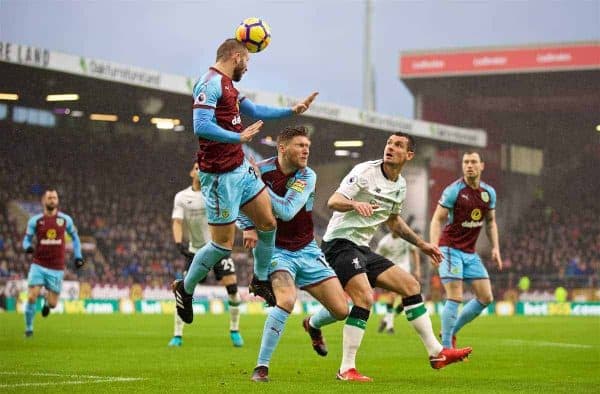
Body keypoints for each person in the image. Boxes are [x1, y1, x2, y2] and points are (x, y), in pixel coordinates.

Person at [306, 133, 472, 381]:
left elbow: (394, 222)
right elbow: (333, 200)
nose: (390, 148)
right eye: (388, 144)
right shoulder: (365, 171)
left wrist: (422, 244)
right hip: (339, 244)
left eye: (398, 145)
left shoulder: (401, 185)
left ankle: (436, 353)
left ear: (409, 155)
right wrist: (354, 205)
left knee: (410, 286)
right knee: (363, 297)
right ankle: (346, 369)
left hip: (362, 247)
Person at [173, 38, 318, 324]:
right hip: (218, 176)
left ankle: (260, 280)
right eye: (248, 62)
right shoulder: (209, 83)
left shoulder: (230, 86)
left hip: (241, 167)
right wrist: (236, 137)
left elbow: (256, 111)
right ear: (236, 56)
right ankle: (184, 289)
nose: (248, 68)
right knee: (222, 246)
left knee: (268, 223)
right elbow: (200, 126)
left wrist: (292, 110)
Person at [241, 126, 348, 382]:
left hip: (307, 249)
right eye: (300, 145)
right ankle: (261, 367)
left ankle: (312, 324)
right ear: (282, 147)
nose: (306, 150)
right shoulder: (262, 170)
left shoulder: (306, 175)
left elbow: (287, 210)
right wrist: (247, 227)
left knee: (342, 310)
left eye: (307, 147)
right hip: (277, 250)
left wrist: (256, 184)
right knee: (287, 301)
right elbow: (240, 201)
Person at [429, 151, 502, 349]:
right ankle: (445, 349)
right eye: (466, 162)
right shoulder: (454, 190)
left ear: (482, 166)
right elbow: (437, 219)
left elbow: (491, 222)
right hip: (449, 249)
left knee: (486, 297)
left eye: (473, 162)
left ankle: (450, 332)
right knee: (455, 296)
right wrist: (433, 247)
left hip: (469, 253)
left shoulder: (489, 193)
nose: (469, 165)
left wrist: (495, 247)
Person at [168, 162, 244, 348]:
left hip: (218, 249)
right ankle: (177, 335)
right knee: (184, 291)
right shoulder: (182, 197)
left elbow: (231, 214)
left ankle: (234, 330)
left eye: (203, 168)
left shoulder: (216, 193)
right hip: (194, 252)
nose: (200, 170)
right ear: (191, 172)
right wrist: (179, 243)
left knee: (233, 290)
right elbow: (177, 222)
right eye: (196, 167)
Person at [21, 189, 84, 337]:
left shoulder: (65, 220)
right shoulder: (35, 221)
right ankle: (29, 328)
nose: (52, 200)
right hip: (38, 264)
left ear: (58, 201)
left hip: (56, 267)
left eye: (54, 198)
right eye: (49, 198)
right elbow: (26, 239)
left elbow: (75, 238)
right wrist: (27, 247)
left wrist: (78, 256)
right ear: (44, 200)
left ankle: (46, 303)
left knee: (53, 304)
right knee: (31, 296)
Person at [375, 231, 421, 334]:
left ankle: (386, 320)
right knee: (392, 295)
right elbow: (376, 257)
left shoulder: (406, 238)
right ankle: (390, 327)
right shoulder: (384, 242)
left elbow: (414, 251)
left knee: (407, 299)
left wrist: (417, 269)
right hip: (392, 272)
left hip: (405, 272)